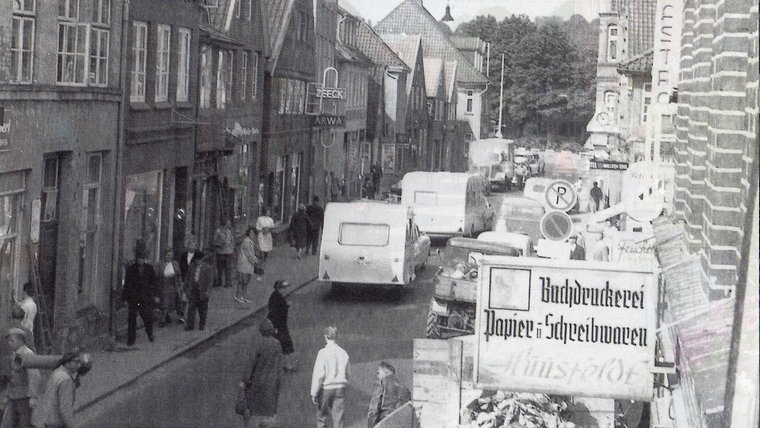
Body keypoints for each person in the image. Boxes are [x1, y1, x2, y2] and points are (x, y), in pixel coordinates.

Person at [239, 319, 283, 428]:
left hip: (257, 383)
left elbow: (251, 363)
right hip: (271, 383)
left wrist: (244, 381)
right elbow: (279, 365)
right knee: (268, 411)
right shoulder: (277, 344)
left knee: (252, 410)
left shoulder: (258, 344)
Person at [36, 351, 92, 428]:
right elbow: (65, 408)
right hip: (57, 422)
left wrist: (78, 377)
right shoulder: (66, 379)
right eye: (76, 362)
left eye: (80, 362)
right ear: (67, 362)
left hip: (49, 419)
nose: (79, 365)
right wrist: (71, 425)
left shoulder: (57, 372)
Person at [310, 325, 350, 428]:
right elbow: (348, 372)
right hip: (340, 387)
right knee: (338, 417)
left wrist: (314, 392)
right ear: (337, 336)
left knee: (322, 416)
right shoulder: (343, 353)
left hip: (326, 388)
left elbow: (318, 375)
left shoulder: (322, 353)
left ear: (325, 337)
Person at [2, 328, 40, 428]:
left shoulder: (28, 354)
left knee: (24, 423)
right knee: (7, 423)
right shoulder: (14, 354)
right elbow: (11, 376)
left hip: (24, 397)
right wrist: (7, 394)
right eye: (9, 340)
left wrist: (32, 396)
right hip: (13, 395)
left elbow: (34, 376)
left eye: (12, 340)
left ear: (21, 341)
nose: (9, 343)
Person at [123, 240, 158, 345]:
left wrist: (155, 295)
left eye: (142, 259)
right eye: (138, 259)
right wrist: (125, 298)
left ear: (145, 259)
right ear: (136, 259)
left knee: (147, 317)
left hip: (145, 298)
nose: (140, 261)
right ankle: (131, 340)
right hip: (133, 298)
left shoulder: (150, 269)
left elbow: (155, 283)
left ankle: (150, 333)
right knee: (132, 319)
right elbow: (127, 285)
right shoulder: (131, 269)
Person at [367, 361, 411, 428]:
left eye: (378, 373)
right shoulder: (405, 389)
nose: (377, 376)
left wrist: (370, 426)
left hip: (385, 423)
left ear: (386, 373)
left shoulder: (382, 383)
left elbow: (374, 409)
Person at [268, 281, 296, 372]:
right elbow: (275, 313)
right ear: (279, 288)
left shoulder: (277, 296)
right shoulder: (277, 298)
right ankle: (288, 366)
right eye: (284, 288)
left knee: (283, 345)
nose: (286, 290)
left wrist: (286, 305)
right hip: (279, 326)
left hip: (280, 325)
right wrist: (275, 328)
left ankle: (285, 365)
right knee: (285, 345)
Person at [184, 252, 216, 331]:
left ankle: (202, 324)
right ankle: (190, 325)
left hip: (202, 290)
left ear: (202, 260)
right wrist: (185, 288)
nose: (198, 262)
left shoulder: (207, 268)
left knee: (202, 309)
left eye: (199, 260)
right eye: (196, 260)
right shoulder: (192, 267)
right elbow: (187, 278)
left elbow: (210, 281)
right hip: (193, 289)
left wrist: (207, 291)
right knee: (191, 308)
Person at [157, 248, 184, 326]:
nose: (169, 257)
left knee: (178, 301)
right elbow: (157, 275)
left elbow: (179, 275)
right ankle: (163, 319)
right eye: (168, 255)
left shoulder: (175, 263)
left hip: (173, 285)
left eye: (171, 255)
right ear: (165, 255)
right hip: (164, 285)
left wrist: (179, 283)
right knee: (165, 302)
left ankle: (181, 317)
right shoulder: (160, 264)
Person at [12, 282, 37, 351]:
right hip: (29, 330)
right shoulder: (33, 304)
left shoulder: (24, 306)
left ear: (25, 293)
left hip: (22, 331)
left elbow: (21, 316)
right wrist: (16, 301)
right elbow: (20, 304)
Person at [236, 227, 258, 304]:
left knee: (246, 282)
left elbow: (251, 254)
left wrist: (254, 259)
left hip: (247, 265)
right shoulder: (246, 241)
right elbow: (249, 254)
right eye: (251, 233)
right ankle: (238, 297)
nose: (252, 235)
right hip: (243, 264)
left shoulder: (250, 242)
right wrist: (255, 261)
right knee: (241, 281)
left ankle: (243, 297)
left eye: (254, 234)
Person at [213, 219, 235, 288]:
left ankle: (228, 283)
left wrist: (232, 250)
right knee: (220, 269)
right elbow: (214, 242)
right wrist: (220, 244)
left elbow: (232, 241)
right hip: (221, 253)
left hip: (228, 252)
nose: (230, 225)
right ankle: (219, 282)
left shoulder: (229, 232)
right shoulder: (218, 231)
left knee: (228, 268)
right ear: (225, 224)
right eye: (229, 223)